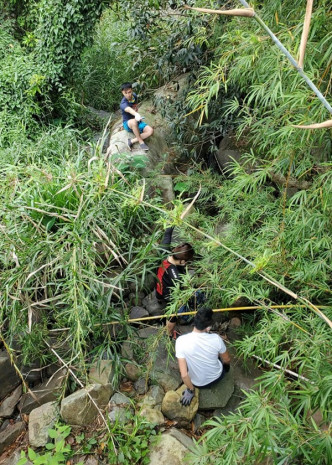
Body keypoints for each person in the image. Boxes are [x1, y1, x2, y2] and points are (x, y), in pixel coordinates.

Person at [175, 307, 231, 406]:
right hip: (217, 376)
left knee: (185, 359)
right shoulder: (216, 339)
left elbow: (184, 375)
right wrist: (226, 367)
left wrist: (191, 390)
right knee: (216, 354)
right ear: (208, 327)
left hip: (197, 383)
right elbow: (227, 359)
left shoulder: (181, 341)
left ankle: (191, 390)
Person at [155, 226, 198, 338]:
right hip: (166, 294)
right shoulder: (175, 274)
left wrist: (172, 224)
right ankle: (169, 333)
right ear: (182, 260)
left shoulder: (164, 251)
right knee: (173, 315)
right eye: (186, 262)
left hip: (159, 285)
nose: (186, 264)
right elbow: (182, 289)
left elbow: (167, 234)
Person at [120, 82, 154, 151]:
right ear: (122, 93)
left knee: (150, 131)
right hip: (128, 123)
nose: (128, 95)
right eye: (125, 93)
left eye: (129, 92)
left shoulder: (134, 96)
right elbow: (129, 110)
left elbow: (135, 107)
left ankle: (131, 141)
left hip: (137, 121)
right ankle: (141, 142)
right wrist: (136, 114)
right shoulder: (123, 103)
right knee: (133, 122)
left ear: (132, 90)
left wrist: (137, 116)